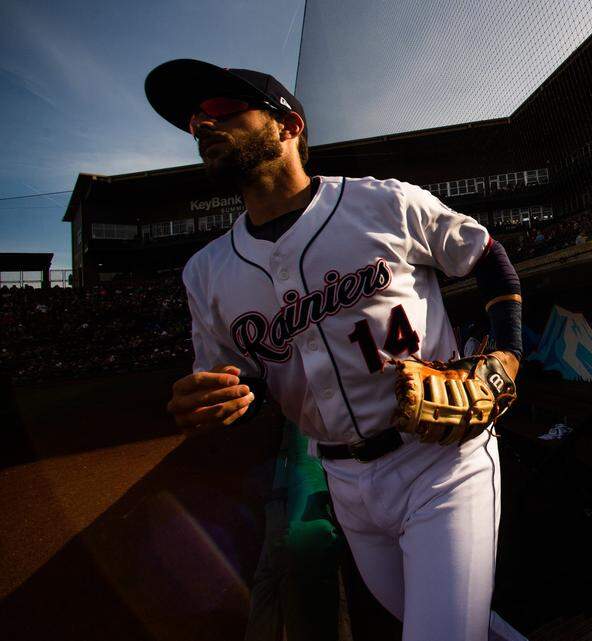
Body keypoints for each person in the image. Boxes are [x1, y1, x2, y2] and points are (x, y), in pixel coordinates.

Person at [150, 60, 527, 641]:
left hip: (440, 459)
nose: (202, 124)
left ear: (288, 125)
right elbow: (233, 375)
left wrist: (508, 356)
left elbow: (487, 256)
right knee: (433, 619)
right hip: (342, 481)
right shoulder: (206, 272)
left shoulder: (385, 204)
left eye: (223, 111)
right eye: (195, 120)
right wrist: (214, 399)